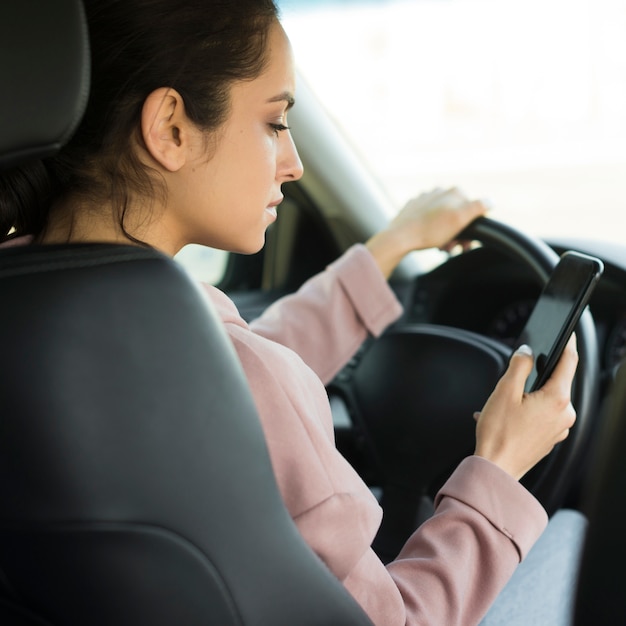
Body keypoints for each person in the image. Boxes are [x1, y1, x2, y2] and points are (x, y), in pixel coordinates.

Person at [0, 1, 584, 624]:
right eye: (275, 122)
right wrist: (499, 465)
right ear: (171, 127)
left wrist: (386, 249)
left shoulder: (37, 313)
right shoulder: (245, 375)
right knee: (571, 537)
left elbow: (232, 377)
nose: (295, 162)